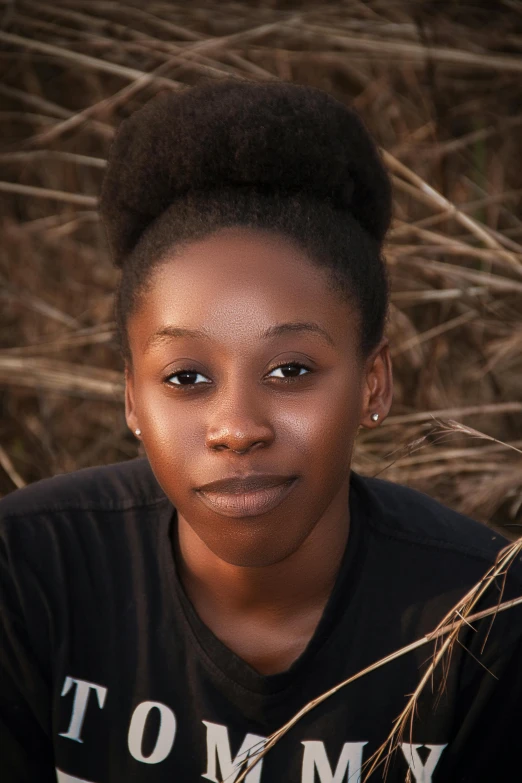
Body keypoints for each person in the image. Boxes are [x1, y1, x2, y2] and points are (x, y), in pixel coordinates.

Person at [1, 80, 521, 783]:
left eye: (291, 368)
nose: (238, 428)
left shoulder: (487, 619)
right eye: (186, 377)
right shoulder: (28, 572)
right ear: (131, 396)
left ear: (374, 383)